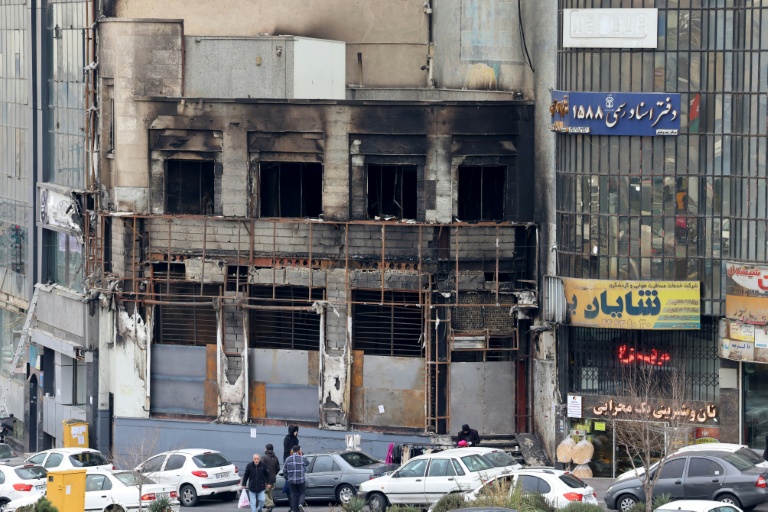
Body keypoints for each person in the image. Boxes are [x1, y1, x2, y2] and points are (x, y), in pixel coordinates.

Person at [284, 445, 308, 512]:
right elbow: (307, 463)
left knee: (293, 495)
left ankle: (294, 509)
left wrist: (287, 478)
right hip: (301, 480)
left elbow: (284, 470)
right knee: (302, 493)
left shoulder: (288, 459)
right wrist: (301, 454)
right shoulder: (302, 458)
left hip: (291, 481)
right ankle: (300, 504)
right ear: (299, 450)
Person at [263, 443, 280, 512]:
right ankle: (269, 507)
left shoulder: (264, 457)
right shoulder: (276, 458)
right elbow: (278, 469)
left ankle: (270, 504)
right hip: (273, 478)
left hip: (266, 479)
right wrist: (273, 474)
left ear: (266, 449)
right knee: (269, 492)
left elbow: (262, 468)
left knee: (264, 492)